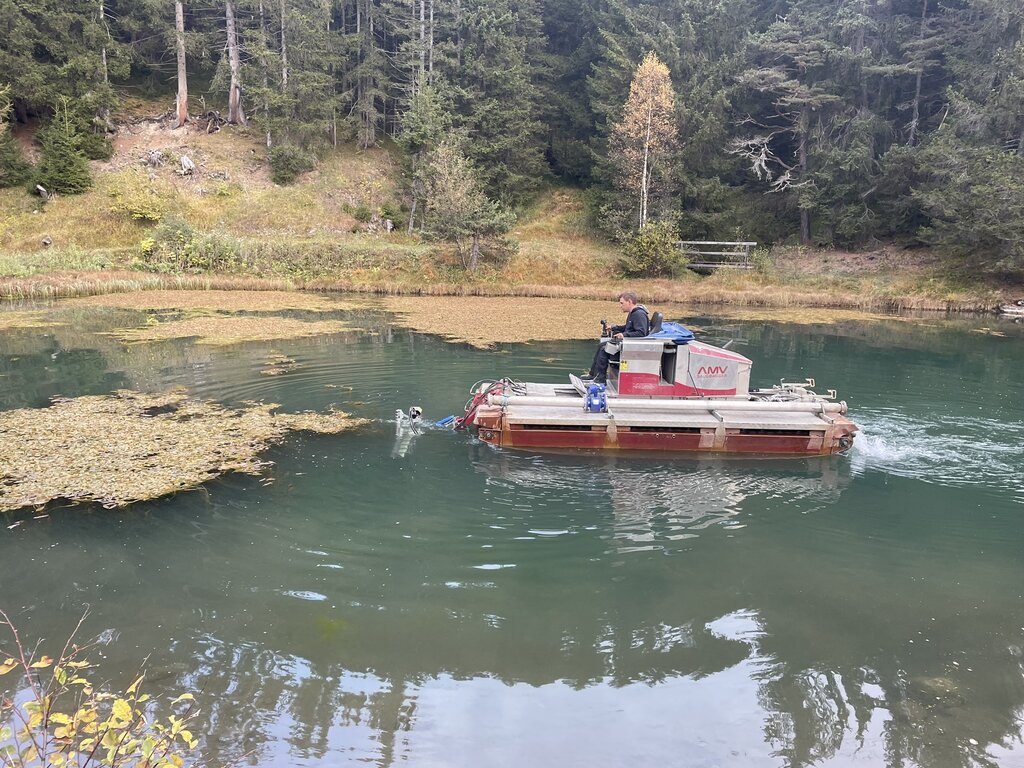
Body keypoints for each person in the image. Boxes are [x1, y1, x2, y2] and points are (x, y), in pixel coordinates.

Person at [585, 291, 649, 384]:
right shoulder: (633, 313)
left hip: (632, 349)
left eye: (622, 303)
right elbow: (628, 328)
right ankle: (593, 374)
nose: (620, 306)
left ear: (629, 302)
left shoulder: (639, 314)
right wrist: (614, 327)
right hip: (627, 344)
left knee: (604, 349)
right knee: (602, 345)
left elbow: (641, 333)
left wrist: (624, 335)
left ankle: (601, 380)